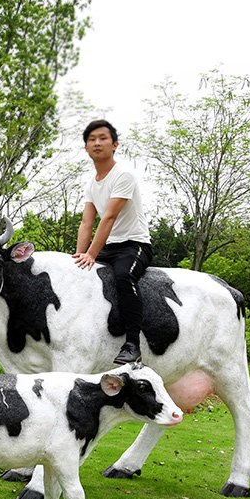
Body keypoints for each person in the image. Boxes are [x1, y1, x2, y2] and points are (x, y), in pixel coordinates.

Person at [73, 119, 152, 364]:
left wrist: (92, 255)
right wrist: (78, 256)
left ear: (115, 144)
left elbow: (108, 218)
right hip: (110, 247)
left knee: (123, 277)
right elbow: (87, 223)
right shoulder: (91, 183)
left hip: (135, 244)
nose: (97, 143)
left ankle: (132, 345)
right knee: (79, 276)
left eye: (103, 138)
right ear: (86, 147)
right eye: (91, 139)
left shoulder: (124, 175)